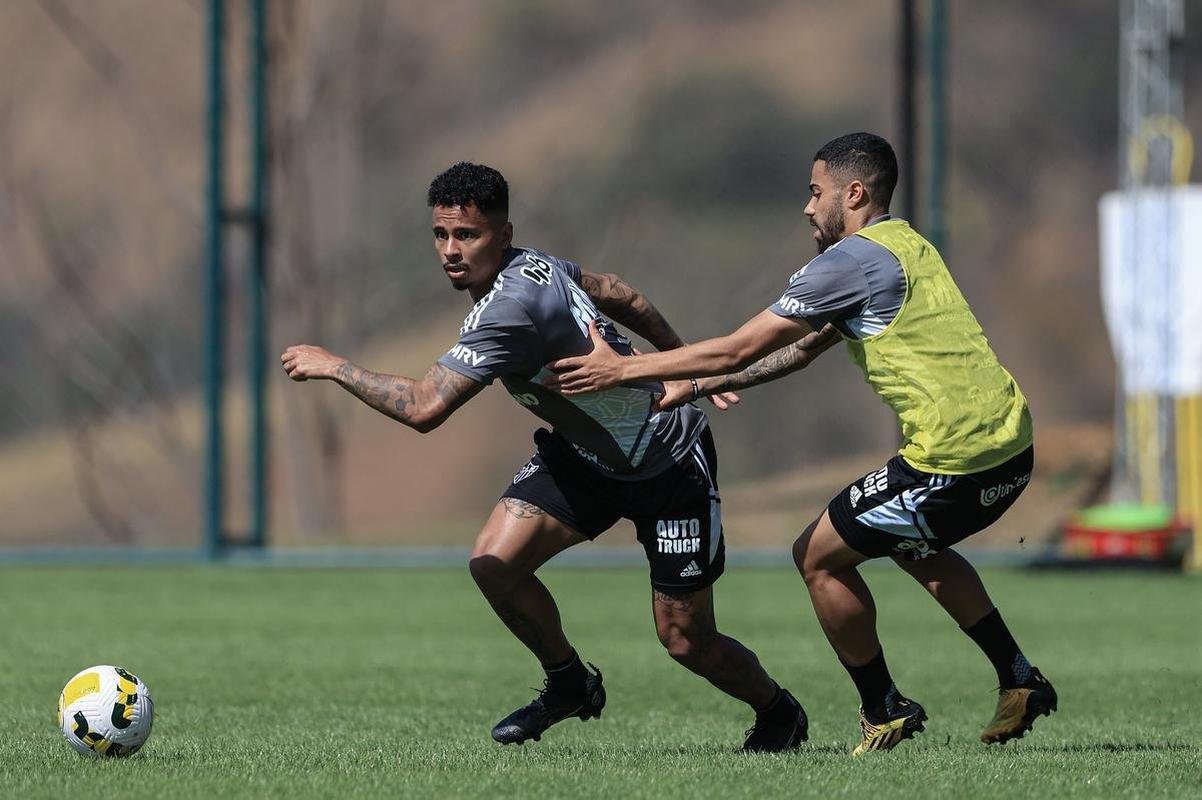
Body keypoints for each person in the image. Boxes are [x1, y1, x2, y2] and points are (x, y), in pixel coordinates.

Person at [548, 133, 1056, 756]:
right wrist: (706, 383)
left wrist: (624, 370)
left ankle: (883, 709)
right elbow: (802, 349)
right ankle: (1019, 679)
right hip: (1009, 444)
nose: (807, 208)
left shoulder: (848, 262)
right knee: (911, 543)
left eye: (816, 193)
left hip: (954, 458)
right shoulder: (906, 244)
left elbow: (743, 343)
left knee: (816, 556)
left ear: (855, 193)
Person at [281, 161, 812, 751]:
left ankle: (779, 712)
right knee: (494, 564)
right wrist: (681, 353)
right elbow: (619, 292)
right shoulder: (535, 263)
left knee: (687, 641)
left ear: (502, 234)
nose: (451, 251)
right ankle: (568, 683)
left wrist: (335, 367)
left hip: (668, 461)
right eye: (441, 235)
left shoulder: (507, 312)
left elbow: (424, 407)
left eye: (468, 235)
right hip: (587, 458)